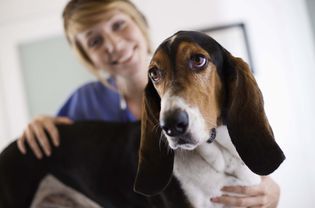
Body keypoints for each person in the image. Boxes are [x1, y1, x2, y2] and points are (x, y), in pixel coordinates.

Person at [17, 0, 280, 207]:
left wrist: (270, 188)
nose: (114, 44)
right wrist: (39, 124)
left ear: (139, 22)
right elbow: (67, 148)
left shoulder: (215, 84)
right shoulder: (84, 101)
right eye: (95, 41)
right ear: (87, 56)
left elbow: (247, 144)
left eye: (118, 25)